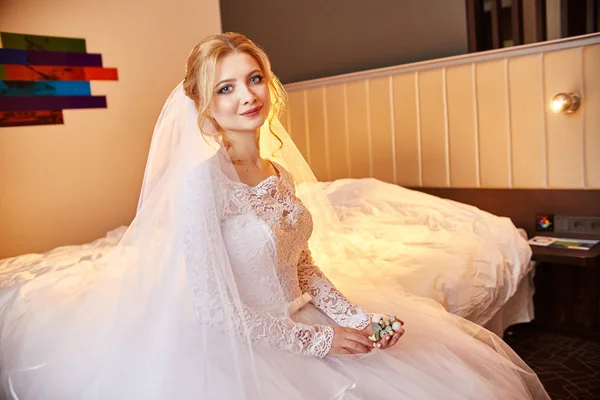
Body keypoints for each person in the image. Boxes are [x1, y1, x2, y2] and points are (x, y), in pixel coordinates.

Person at [0, 32, 550, 399]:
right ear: (205, 105)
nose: (247, 96)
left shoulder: (277, 173)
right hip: (237, 342)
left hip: (296, 314)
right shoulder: (201, 183)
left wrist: (354, 318)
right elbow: (213, 308)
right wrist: (320, 341)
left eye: (254, 78)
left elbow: (302, 266)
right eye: (226, 87)